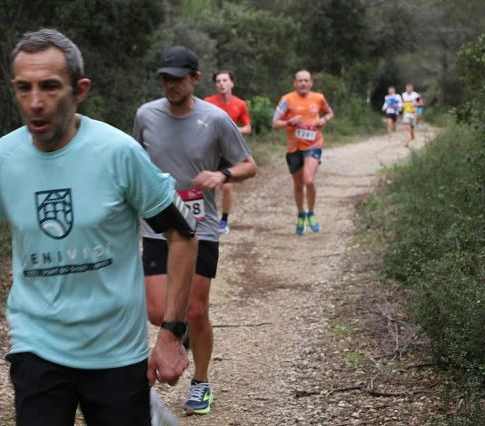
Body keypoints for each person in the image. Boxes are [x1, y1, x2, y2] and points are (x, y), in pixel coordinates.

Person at [0, 29, 199, 426]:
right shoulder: (2, 158)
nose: (35, 103)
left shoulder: (118, 153)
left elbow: (182, 234)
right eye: (23, 88)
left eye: (49, 87)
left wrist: (171, 333)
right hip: (37, 344)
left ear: (79, 89)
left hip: (117, 350)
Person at [133, 46, 257, 416]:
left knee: (196, 310)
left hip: (200, 226)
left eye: (178, 78)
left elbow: (248, 165)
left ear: (195, 79)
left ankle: (201, 382)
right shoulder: (146, 115)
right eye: (165, 78)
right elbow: (134, 162)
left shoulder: (216, 119)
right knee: (158, 312)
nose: (171, 85)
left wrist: (221, 175)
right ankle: (177, 334)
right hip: (157, 227)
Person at [272, 70, 334, 235]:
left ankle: (311, 212)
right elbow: (275, 123)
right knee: (298, 185)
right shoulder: (287, 100)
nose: (303, 84)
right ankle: (301, 213)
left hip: (313, 144)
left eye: (306, 81)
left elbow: (329, 112)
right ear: (295, 83)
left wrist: (324, 120)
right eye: (300, 81)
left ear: (311, 83)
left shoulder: (318, 98)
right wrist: (289, 122)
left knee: (309, 181)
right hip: (294, 147)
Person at [203, 70, 252, 235]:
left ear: (232, 83)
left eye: (225, 80)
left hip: (229, 152)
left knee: (227, 187)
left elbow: (248, 127)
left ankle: (223, 220)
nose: (221, 84)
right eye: (218, 81)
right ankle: (203, 218)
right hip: (210, 151)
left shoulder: (240, 104)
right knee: (205, 185)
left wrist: (234, 130)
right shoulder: (208, 103)